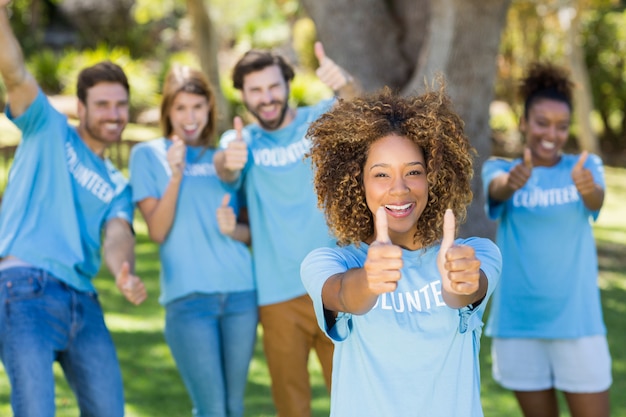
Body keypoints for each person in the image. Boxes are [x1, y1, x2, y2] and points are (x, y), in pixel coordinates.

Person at [300, 85, 502, 416]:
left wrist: (459, 283)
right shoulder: (330, 262)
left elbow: (463, 293)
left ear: (433, 178)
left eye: (413, 171)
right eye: (381, 174)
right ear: (356, 180)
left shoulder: (475, 254)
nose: (399, 188)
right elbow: (343, 294)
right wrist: (368, 281)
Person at [0, 2, 148, 417]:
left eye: (120, 105)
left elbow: (119, 233)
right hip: (24, 287)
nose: (113, 114)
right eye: (102, 104)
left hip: (83, 302)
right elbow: (14, 71)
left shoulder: (118, 184)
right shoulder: (47, 127)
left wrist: (123, 270)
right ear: (80, 107)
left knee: (108, 409)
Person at [213, 42, 357, 417]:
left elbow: (359, 108)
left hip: (338, 282)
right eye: (256, 90)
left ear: (288, 83)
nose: (267, 98)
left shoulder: (322, 117)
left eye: (273, 86)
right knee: (291, 405)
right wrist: (228, 162)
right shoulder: (241, 142)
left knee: (355, 397)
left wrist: (345, 84)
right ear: (242, 95)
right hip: (277, 295)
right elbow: (225, 167)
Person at [482, 62, 611, 417]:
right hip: (519, 323)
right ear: (523, 123)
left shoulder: (585, 168)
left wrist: (588, 188)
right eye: (542, 123)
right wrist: (511, 183)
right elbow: (496, 191)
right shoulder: (499, 170)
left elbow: (596, 200)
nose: (551, 134)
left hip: (577, 322)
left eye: (561, 126)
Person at [129, 65, 257, 417]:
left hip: (241, 295)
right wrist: (175, 175)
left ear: (209, 108)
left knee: (234, 406)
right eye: (181, 108)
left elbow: (226, 170)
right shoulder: (147, 155)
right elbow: (156, 231)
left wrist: (233, 226)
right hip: (189, 302)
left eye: (198, 107)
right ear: (168, 110)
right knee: (211, 408)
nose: (190, 117)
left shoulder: (220, 155)